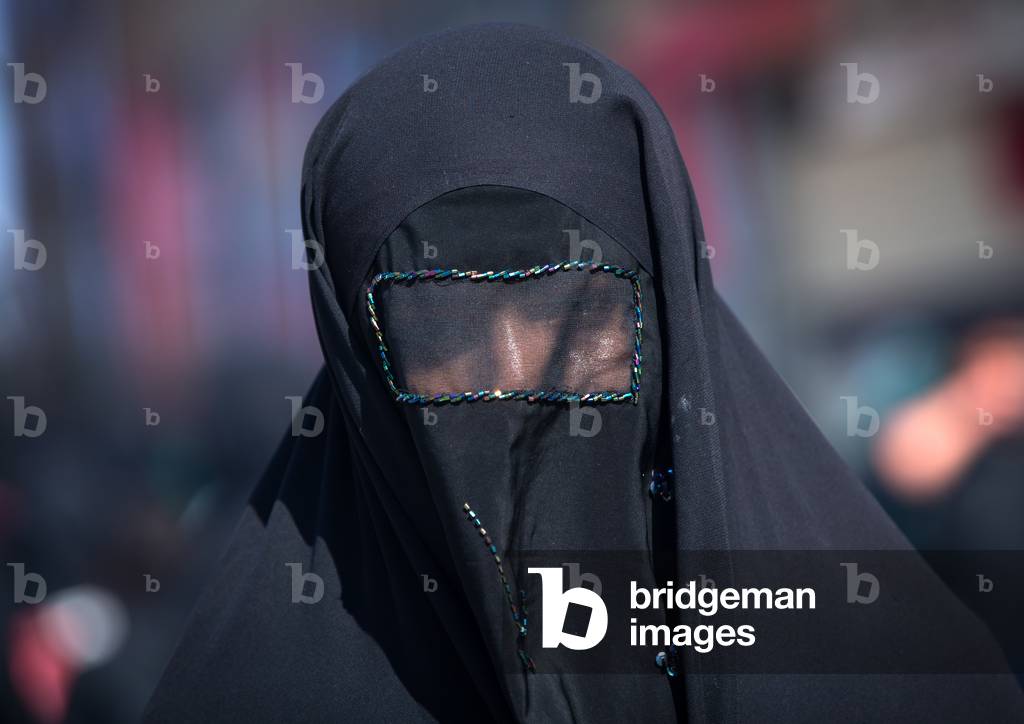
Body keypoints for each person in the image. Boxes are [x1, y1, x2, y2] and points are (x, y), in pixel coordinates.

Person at [144, 24, 1023, 723]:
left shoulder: (874, 668)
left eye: (578, 321)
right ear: (360, 356)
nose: (522, 385)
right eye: (447, 336)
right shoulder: (258, 695)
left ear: (666, 310)